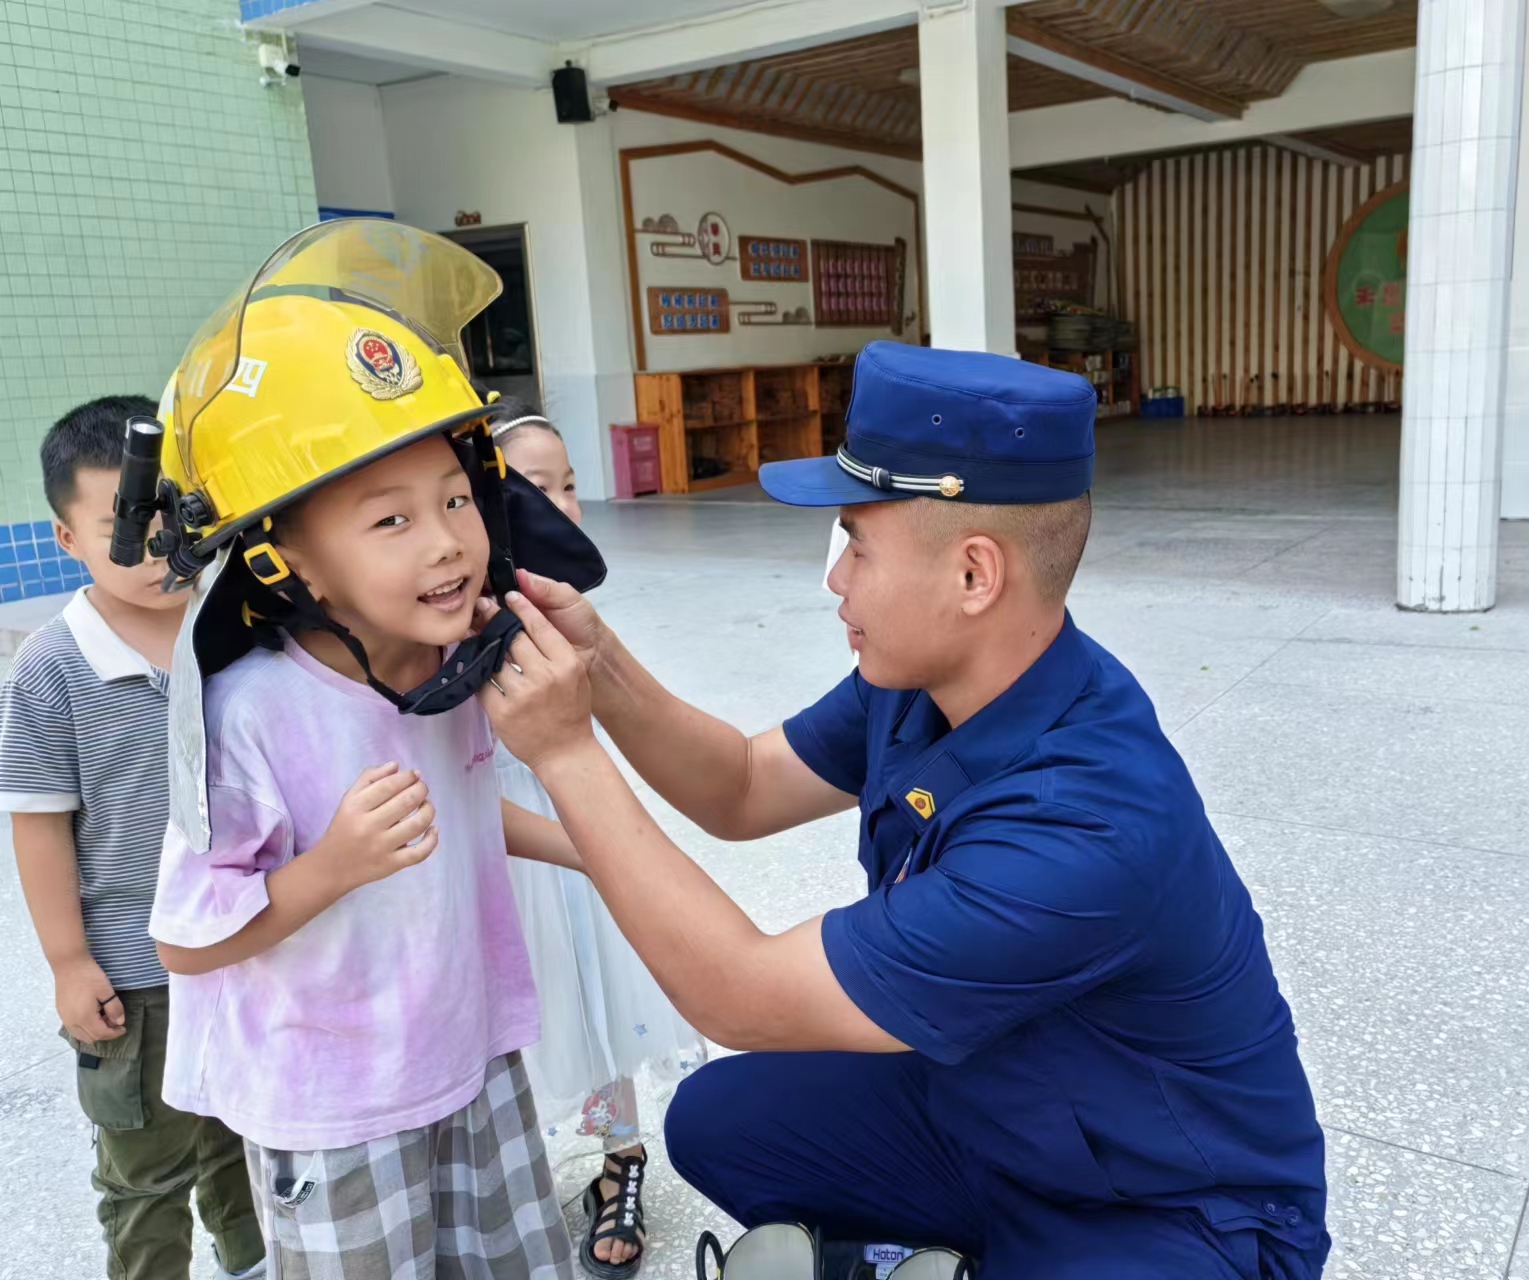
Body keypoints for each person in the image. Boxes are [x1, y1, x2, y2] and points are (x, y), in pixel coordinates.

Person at [475, 341, 1331, 1280]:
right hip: (994, 1111)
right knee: (722, 1121)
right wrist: (597, 665)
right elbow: (742, 786)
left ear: (974, 576)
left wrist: (562, 753)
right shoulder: (929, 682)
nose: (836, 581)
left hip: (1166, 1205)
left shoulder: (1088, 823)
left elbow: (741, 995)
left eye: (856, 543)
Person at [144, 220, 605, 1277]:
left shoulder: (450, 673)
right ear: (288, 557)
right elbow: (185, 941)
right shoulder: (253, 711)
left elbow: (461, 809)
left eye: (454, 498)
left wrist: (590, 842)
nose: (447, 538)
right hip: (334, 1103)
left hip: (469, 1055)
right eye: (388, 520)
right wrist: (329, 867)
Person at [0, 396, 264, 1279]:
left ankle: (252, 1260)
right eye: (120, 524)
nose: (154, 546)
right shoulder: (53, 664)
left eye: (166, 516)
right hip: (136, 977)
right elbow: (37, 826)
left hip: (248, 944)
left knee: (248, 1137)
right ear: (67, 538)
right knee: (147, 1173)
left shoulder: (237, 625)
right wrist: (71, 964)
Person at [489, 398, 707, 1278]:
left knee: (597, 992)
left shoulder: (561, 604)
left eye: (571, 483)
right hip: (511, 846)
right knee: (522, 1004)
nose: (566, 502)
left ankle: (623, 1160)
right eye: (539, 485)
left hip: (576, 817)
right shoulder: (449, 616)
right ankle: (512, 1172)